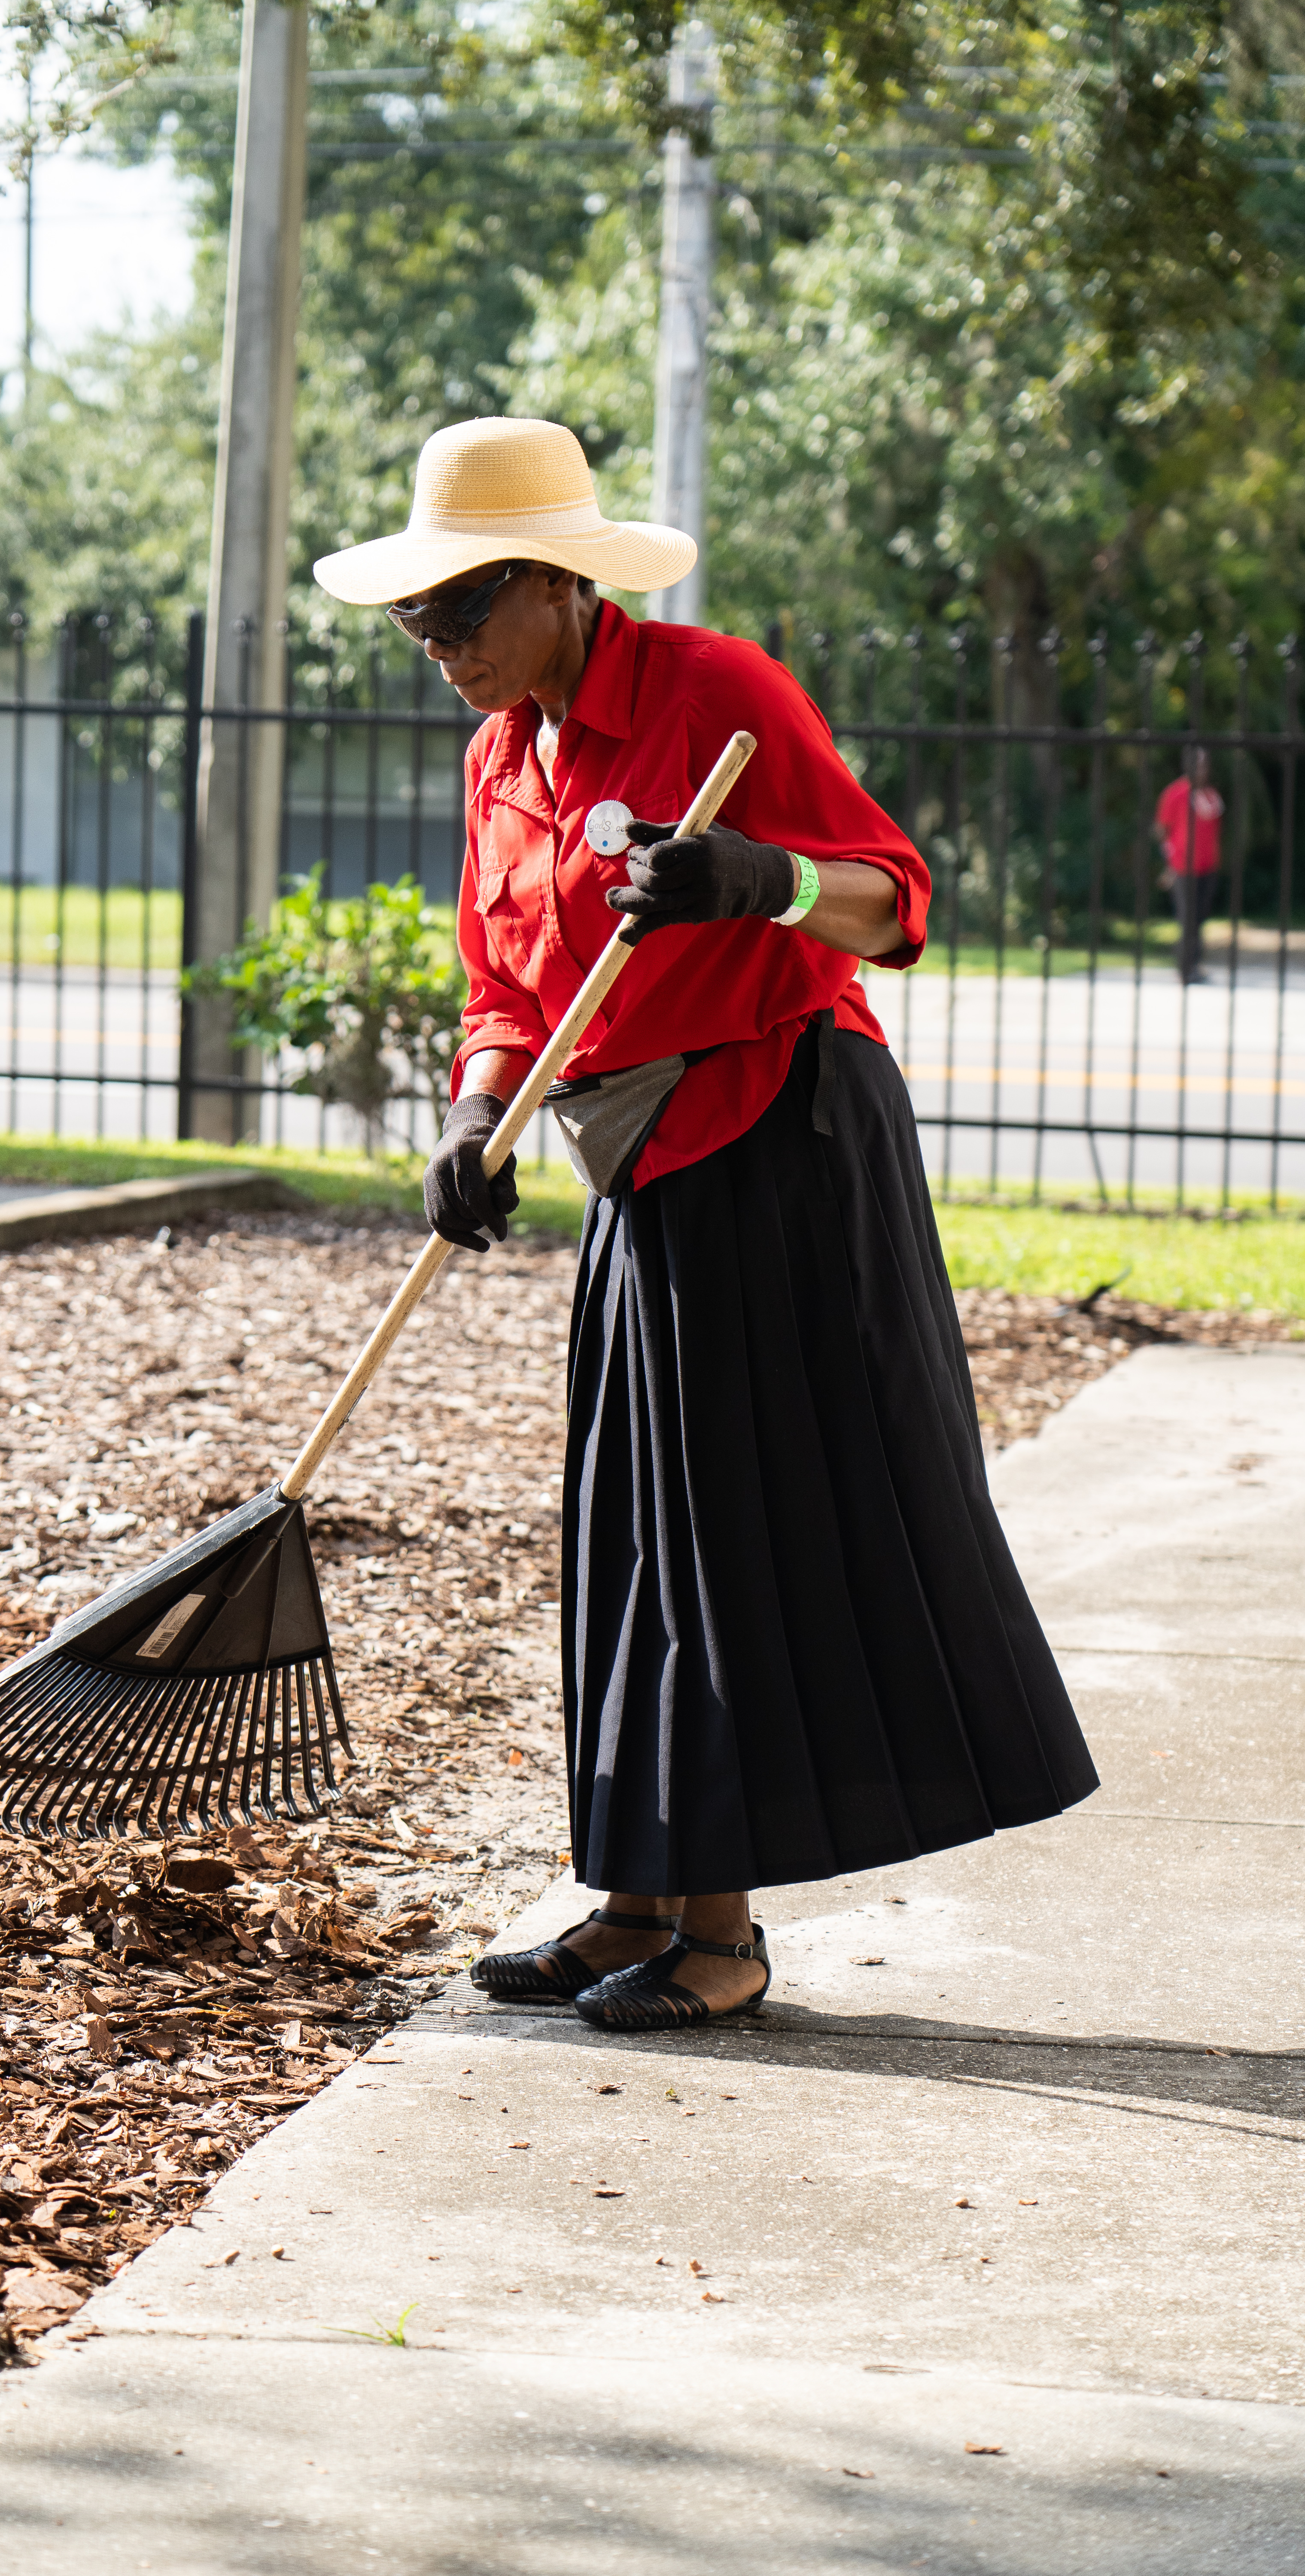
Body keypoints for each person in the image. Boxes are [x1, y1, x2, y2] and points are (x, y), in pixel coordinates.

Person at [313, 417, 1098, 2032]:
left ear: (553, 584)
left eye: (460, 615)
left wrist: (763, 879)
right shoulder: (503, 755)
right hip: (639, 1159)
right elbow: (503, 991)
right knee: (631, 1532)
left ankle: (720, 1939)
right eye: (417, 623)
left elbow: (894, 897)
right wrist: (475, 1111)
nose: (438, 652)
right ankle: (632, 1897)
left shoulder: (715, 694)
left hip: (779, 1137)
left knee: (731, 1534)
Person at [1154, 748, 1223, 985]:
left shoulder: (1210, 795)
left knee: (1201, 918)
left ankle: (1195, 965)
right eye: (1200, 765)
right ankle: (1184, 970)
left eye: (1206, 765)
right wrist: (1169, 862)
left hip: (1208, 867)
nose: (1204, 770)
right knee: (1188, 918)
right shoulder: (1175, 793)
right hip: (1183, 867)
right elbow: (1161, 829)